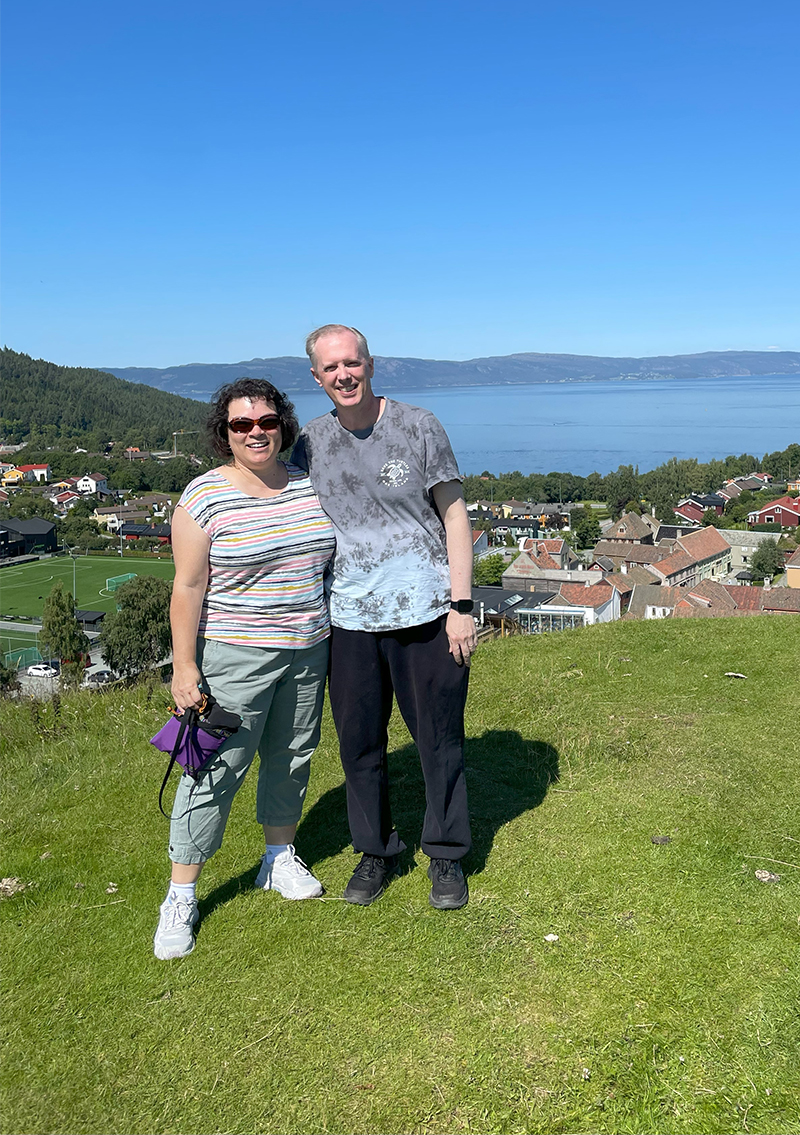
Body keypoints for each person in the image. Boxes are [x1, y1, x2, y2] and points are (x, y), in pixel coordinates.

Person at [292, 324, 477, 910]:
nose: (343, 375)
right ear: (316, 377)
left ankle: (445, 855)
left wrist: (463, 605)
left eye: (352, 362)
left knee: (437, 740)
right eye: (331, 368)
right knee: (358, 745)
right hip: (347, 620)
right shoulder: (307, 443)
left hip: (426, 613)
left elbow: (454, 517)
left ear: (371, 364)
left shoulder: (419, 426)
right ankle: (375, 850)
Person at [153, 379, 336, 960]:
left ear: (283, 424)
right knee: (212, 770)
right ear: (224, 432)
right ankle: (181, 895)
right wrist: (185, 668)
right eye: (241, 425)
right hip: (233, 659)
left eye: (266, 422)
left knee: (292, 755)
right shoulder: (203, 498)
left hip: (308, 649)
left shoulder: (310, 487)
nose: (255, 432)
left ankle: (277, 858)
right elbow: (186, 587)